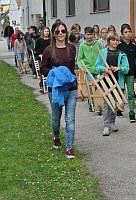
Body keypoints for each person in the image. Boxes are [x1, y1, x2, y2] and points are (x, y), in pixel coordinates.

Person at [40, 21, 78, 159]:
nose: (60, 34)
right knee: (56, 117)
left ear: (66, 33)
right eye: (57, 32)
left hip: (71, 88)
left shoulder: (72, 48)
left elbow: (74, 66)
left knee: (70, 118)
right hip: (56, 89)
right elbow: (43, 68)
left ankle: (69, 147)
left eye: (63, 31)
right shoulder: (49, 50)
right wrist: (55, 73)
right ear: (53, 34)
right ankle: (56, 137)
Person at [95, 32, 129, 136]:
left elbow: (127, 69)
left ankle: (112, 122)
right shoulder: (103, 52)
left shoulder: (122, 54)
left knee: (115, 104)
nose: (114, 42)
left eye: (116, 40)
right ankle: (106, 125)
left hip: (118, 82)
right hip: (106, 83)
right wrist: (104, 69)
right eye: (112, 40)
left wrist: (120, 68)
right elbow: (97, 66)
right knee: (107, 105)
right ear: (109, 41)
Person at [77, 26, 103, 112]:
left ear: (94, 34)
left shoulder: (98, 43)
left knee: (97, 86)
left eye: (91, 34)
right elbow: (80, 59)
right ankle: (92, 104)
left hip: (97, 68)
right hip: (88, 69)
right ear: (84, 35)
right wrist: (82, 67)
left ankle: (92, 101)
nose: (89, 36)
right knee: (91, 87)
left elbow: (102, 54)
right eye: (87, 34)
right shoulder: (82, 45)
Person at [117, 23, 136, 122]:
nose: (128, 34)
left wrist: (135, 74)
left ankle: (132, 113)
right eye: (126, 32)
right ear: (122, 34)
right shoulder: (119, 46)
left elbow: (135, 60)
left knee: (131, 94)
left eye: (129, 32)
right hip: (121, 73)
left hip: (130, 73)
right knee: (120, 91)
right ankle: (119, 109)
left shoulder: (134, 47)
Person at [35, 27, 51, 92]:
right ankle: (42, 85)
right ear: (43, 32)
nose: (46, 32)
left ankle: (49, 84)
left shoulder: (51, 40)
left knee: (50, 71)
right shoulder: (39, 40)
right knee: (42, 71)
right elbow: (36, 49)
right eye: (45, 31)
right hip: (41, 58)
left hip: (49, 58)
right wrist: (39, 54)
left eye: (48, 31)